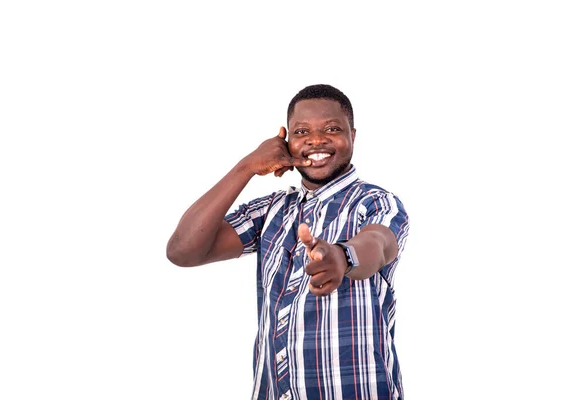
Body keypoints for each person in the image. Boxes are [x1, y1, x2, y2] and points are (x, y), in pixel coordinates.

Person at [166, 84, 410, 399]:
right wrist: (247, 167)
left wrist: (341, 257)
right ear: (286, 142)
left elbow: (378, 244)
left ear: (353, 135)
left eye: (332, 129)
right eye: (301, 131)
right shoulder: (269, 210)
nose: (316, 139)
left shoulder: (375, 201)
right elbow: (183, 250)